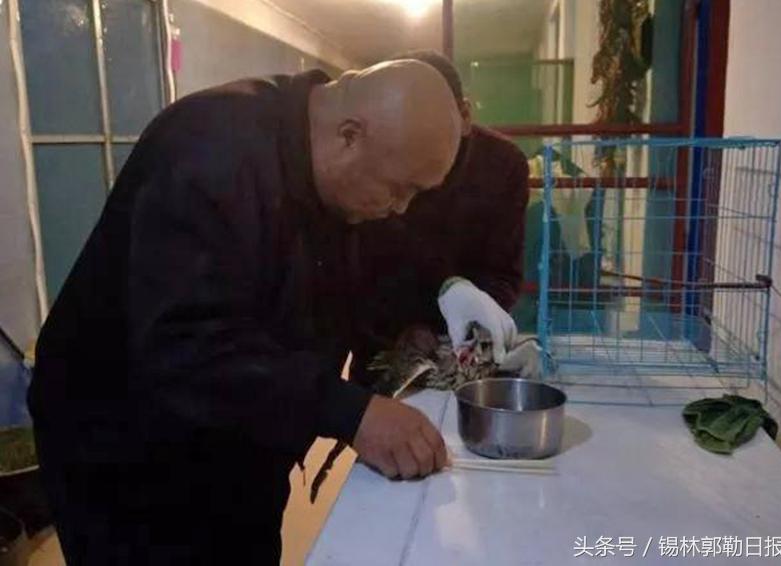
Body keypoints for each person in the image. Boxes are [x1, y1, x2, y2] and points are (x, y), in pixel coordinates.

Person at [28, 60, 462, 565]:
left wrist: (447, 288)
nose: (401, 208)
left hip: (235, 428)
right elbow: (184, 347)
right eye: (400, 189)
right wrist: (348, 411)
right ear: (349, 136)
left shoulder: (329, 166)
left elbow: (365, 265)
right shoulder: (208, 152)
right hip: (126, 445)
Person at [351, 50, 530, 384]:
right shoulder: (377, 157)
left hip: (466, 345)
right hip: (383, 341)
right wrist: (398, 332)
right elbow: (358, 266)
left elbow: (503, 273)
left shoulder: (503, 166)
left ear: (464, 115)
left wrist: (468, 325)